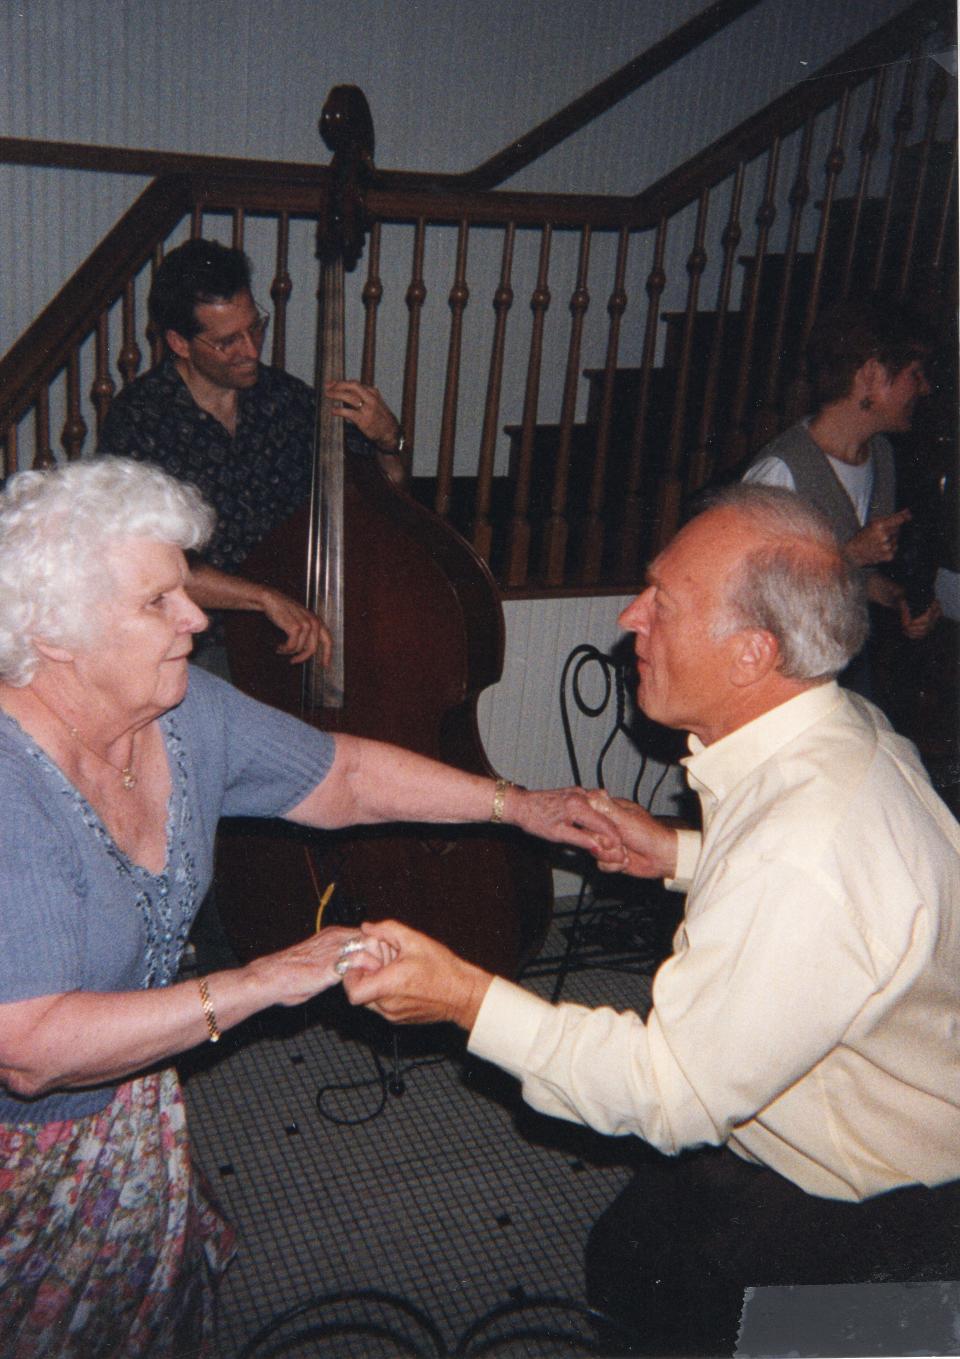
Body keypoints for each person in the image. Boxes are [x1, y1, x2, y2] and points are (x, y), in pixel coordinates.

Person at [0, 456, 615, 1358]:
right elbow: (30, 1050)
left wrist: (515, 804)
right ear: (55, 635)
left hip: (122, 1107)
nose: (197, 617)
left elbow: (348, 776)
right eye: (158, 602)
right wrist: (258, 983)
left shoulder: (177, 714)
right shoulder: (12, 788)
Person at [345, 484, 960, 1356]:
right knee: (629, 1256)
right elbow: (845, 907)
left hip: (868, 1204)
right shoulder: (840, 726)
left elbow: (670, 1094)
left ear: (752, 654)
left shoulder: (804, 850)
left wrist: (467, 999)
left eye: (663, 603)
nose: (631, 616)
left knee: (673, 1314)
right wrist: (676, 853)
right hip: (813, 1114)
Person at [98, 236, 405, 675]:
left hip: (296, 624)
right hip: (199, 636)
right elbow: (148, 561)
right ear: (180, 343)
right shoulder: (139, 419)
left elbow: (386, 499)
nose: (252, 350)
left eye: (255, 327)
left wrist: (387, 440)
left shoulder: (287, 400)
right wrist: (262, 599)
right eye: (228, 341)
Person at [743, 294, 941, 697]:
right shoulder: (780, 472)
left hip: (844, 669)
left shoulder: (880, 455)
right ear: (870, 374)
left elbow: (855, 581)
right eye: (914, 374)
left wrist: (898, 598)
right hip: (782, 680)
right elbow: (752, 596)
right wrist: (850, 555)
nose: (925, 388)